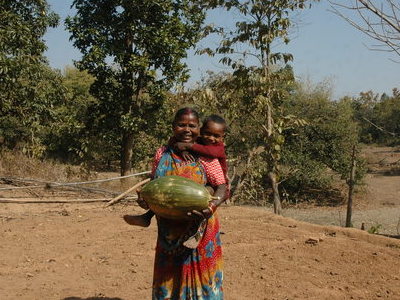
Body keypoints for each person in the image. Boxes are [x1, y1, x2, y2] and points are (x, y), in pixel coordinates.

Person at [134, 107, 227, 299]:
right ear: (173, 127)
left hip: (200, 232)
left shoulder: (205, 155)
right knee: (167, 284)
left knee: (202, 285)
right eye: (181, 125)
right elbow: (156, 186)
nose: (187, 130)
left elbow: (222, 187)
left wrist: (210, 208)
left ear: (198, 129)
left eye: (192, 126)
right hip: (168, 233)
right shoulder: (161, 153)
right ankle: (146, 217)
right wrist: (146, 201)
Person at [123, 114, 229, 227]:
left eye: (216, 136)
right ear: (201, 131)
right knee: (169, 190)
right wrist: (182, 149)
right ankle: (146, 217)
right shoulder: (163, 153)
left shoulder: (213, 152)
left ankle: (196, 232)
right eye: (207, 133)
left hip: (217, 186)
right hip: (167, 226)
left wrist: (188, 146)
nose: (211, 138)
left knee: (200, 197)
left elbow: (220, 184)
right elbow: (173, 141)